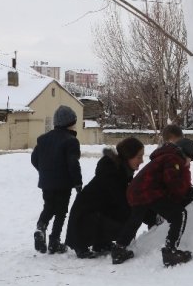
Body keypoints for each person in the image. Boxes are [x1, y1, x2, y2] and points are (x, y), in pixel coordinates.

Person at [111, 138, 193, 267]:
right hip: (149, 192)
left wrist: (187, 194)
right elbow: (172, 183)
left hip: (136, 191)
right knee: (179, 215)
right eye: (190, 159)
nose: (189, 163)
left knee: (135, 220)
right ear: (186, 154)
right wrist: (192, 192)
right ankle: (170, 251)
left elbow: (170, 187)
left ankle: (119, 249)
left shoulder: (166, 156)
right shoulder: (174, 159)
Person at [64, 137, 148, 259]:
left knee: (124, 217)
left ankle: (101, 243)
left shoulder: (120, 172)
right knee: (127, 219)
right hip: (84, 218)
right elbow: (122, 202)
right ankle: (83, 245)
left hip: (96, 213)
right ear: (128, 156)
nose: (142, 161)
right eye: (138, 157)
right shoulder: (113, 174)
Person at [31, 105, 82, 254]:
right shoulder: (71, 141)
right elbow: (73, 163)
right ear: (70, 123)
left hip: (46, 182)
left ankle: (41, 227)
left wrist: (45, 172)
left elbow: (34, 159)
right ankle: (54, 242)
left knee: (49, 206)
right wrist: (78, 182)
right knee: (61, 212)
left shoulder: (43, 139)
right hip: (63, 183)